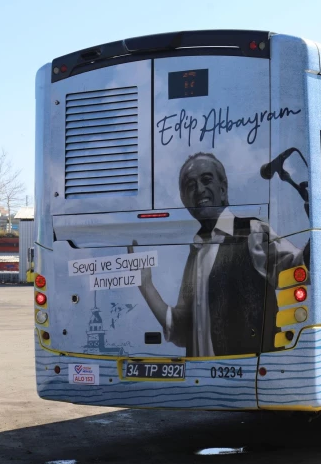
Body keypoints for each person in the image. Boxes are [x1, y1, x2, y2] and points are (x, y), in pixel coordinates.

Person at [131, 152, 308, 357]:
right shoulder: (196, 252)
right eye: (190, 186)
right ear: (184, 200)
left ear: (223, 189)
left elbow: (297, 267)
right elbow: (182, 330)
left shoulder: (252, 232)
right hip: (203, 376)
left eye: (206, 180)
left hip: (249, 373)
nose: (199, 190)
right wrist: (146, 285)